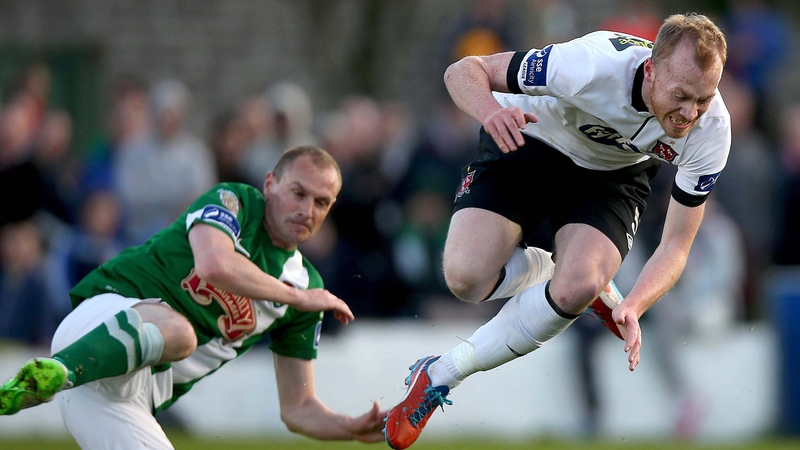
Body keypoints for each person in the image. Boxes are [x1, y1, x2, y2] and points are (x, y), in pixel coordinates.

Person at [383, 13, 729, 449]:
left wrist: (636, 304)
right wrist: (490, 112)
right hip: (531, 139)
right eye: (680, 96)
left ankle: (440, 375)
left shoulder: (712, 130)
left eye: (703, 99)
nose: (689, 114)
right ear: (650, 70)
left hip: (611, 176)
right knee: (465, 280)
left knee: (576, 286)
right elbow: (464, 70)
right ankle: (578, 276)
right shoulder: (588, 64)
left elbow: (677, 244)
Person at [0, 145, 388, 449]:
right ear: (271, 184)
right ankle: (56, 373)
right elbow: (214, 264)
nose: (307, 210)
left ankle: (48, 381)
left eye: (321, 202)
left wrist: (350, 427)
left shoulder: (306, 284)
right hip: (99, 324)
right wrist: (297, 298)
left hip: (126, 398)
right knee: (181, 333)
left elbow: (298, 408)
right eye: (298, 193)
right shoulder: (235, 201)